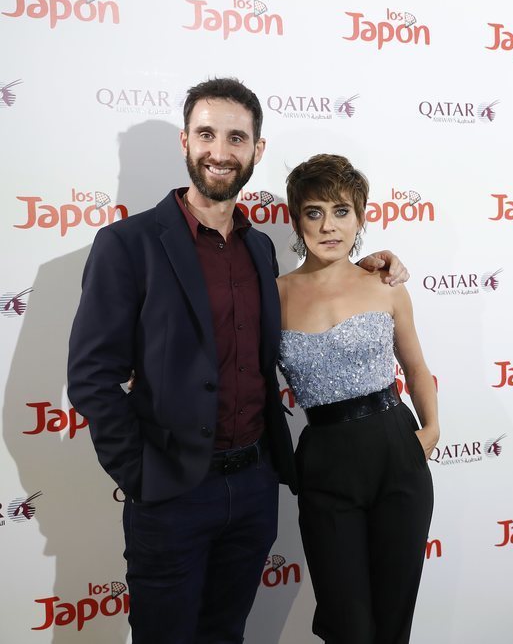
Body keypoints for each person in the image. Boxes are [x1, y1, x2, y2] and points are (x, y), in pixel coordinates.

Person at [67, 78, 408, 644]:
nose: (219, 151)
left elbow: (319, 286)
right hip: (171, 494)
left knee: (227, 635)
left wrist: (371, 265)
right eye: (206, 134)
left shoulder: (260, 248)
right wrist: (143, 475)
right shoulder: (127, 245)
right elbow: (91, 378)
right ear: (185, 141)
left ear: (257, 150)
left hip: (254, 486)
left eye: (235, 138)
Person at [277, 154, 438, 644]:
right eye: (314, 212)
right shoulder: (273, 294)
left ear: (361, 217)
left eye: (342, 211)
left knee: (393, 622)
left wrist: (429, 432)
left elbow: (415, 367)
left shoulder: (384, 283)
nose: (329, 226)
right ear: (296, 219)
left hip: (396, 450)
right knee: (347, 625)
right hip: (325, 463)